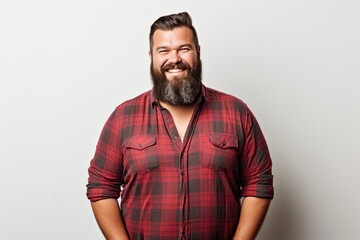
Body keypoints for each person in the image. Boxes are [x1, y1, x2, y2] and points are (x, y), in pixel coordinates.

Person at [86, 11, 274, 240]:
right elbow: (100, 187)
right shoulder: (123, 117)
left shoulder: (236, 112)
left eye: (184, 49)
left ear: (198, 52)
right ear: (151, 57)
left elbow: (259, 183)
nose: (174, 58)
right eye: (163, 50)